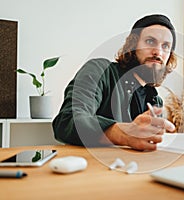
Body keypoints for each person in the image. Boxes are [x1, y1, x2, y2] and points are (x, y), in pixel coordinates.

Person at [52, 14, 177, 151]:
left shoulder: (155, 100)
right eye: (150, 42)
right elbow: (67, 121)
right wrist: (124, 135)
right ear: (133, 45)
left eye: (165, 46)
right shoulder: (100, 70)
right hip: (92, 168)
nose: (158, 52)